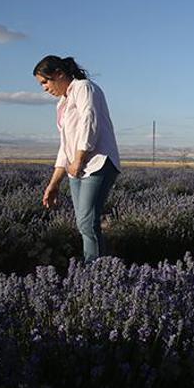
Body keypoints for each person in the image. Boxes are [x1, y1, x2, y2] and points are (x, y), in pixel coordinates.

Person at [35, 56, 120, 263]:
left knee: (87, 222)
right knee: (84, 224)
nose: (45, 89)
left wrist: (79, 158)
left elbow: (90, 122)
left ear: (59, 74)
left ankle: (96, 272)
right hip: (77, 168)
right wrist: (54, 184)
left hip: (97, 163)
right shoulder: (62, 104)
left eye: (45, 82)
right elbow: (65, 146)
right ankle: (96, 268)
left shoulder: (84, 87)